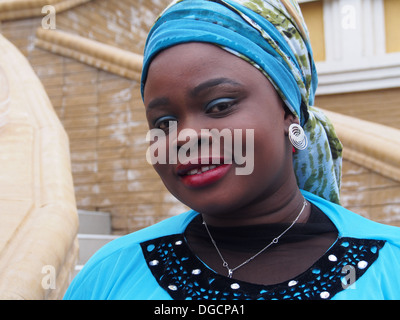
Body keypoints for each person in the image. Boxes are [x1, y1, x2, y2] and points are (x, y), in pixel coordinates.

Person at [64, 0, 400, 300]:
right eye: (163, 122)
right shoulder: (110, 274)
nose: (184, 137)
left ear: (288, 112)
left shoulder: (392, 264)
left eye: (220, 106)